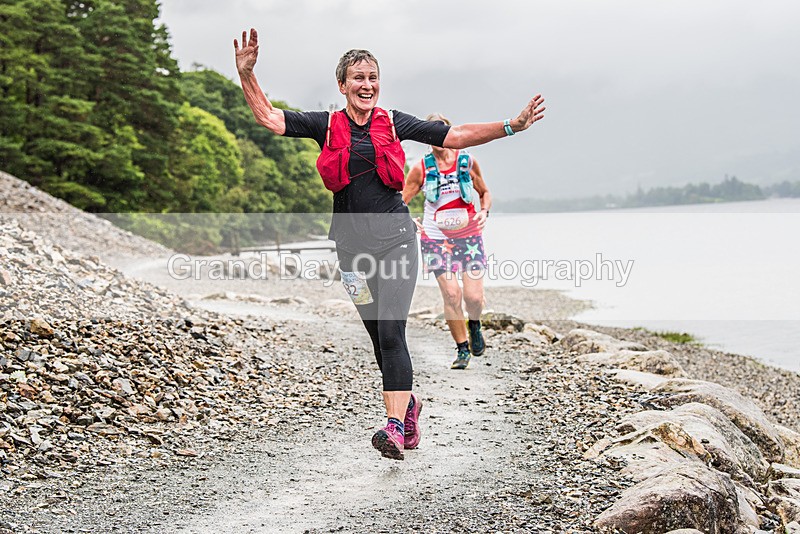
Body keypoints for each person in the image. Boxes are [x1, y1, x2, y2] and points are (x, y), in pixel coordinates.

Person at [233, 28, 545, 461]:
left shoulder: (395, 122)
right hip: (350, 254)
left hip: (397, 242)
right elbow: (269, 117)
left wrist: (511, 125)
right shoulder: (325, 124)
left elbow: (454, 135)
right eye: (358, 78)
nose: (367, 85)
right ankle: (409, 405)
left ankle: (394, 427)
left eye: (373, 77)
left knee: (393, 330)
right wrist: (247, 74)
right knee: (379, 339)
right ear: (342, 85)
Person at [402, 114, 490, 370]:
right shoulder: (421, 168)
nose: (439, 137)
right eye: (432, 132)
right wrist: (409, 222)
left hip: (469, 237)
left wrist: (484, 211)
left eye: (443, 131)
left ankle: (474, 323)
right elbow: (400, 202)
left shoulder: (467, 161)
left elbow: (484, 193)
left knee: (473, 298)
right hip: (435, 238)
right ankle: (462, 349)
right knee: (452, 294)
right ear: (426, 137)